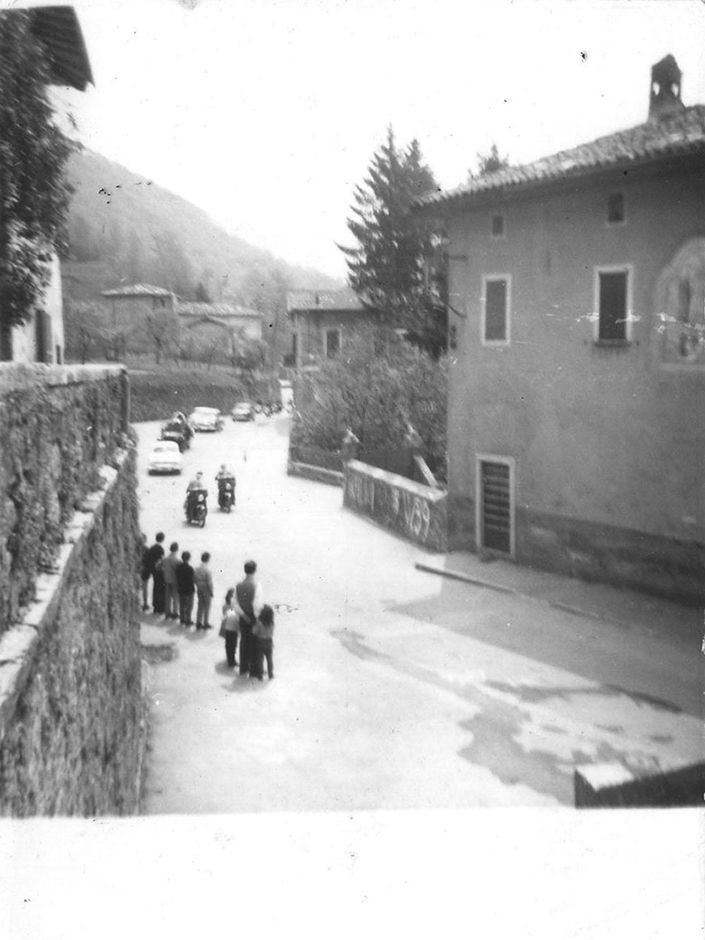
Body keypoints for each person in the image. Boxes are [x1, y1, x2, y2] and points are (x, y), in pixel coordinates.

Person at [235, 560, 264, 676]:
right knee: (254, 643)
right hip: (253, 616)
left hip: (243, 616)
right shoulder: (257, 585)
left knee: (243, 641)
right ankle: (254, 669)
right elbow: (257, 605)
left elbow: (234, 603)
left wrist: (242, 614)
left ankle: (243, 667)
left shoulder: (238, 585)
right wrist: (256, 619)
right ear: (255, 570)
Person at [142, 531, 165, 612]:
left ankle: (154, 604)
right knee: (158, 588)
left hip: (151, 570)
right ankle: (159, 606)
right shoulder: (160, 549)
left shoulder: (151, 548)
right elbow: (161, 561)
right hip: (158, 571)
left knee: (154, 588)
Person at [252, 604, 275, 681]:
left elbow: (254, 632)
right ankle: (270, 674)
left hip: (260, 642)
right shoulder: (271, 623)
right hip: (269, 642)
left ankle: (260, 675)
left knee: (260, 660)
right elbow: (272, 632)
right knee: (269, 659)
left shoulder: (259, 622)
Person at [194, 551, 214, 630]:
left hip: (199, 588)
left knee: (200, 606)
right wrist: (211, 592)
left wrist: (198, 585)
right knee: (207, 606)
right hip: (206, 589)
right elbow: (209, 582)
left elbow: (194, 579)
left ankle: (198, 622)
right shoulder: (207, 570)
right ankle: (206, 622)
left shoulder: (197, 568)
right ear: (208, 559)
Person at [221, 588, 240, 668]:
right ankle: (232, 660)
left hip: (226, 627)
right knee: (233, 644)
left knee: (228, 644)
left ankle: (229, 659)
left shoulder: (225, 606)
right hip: (233, 627)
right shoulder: (235, 606)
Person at [161, 542, 180, 620]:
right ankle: (175, 613)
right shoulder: (177, 560)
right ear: (177, 549)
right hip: (174, 580)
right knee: (175, 597)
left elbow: (158, 567)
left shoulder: (165, 559)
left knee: (167, 597)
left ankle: (167, 612)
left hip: (166, 579)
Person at [176, 550, 195, 627]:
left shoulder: (178, 568)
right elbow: (192, 580)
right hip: (189, 590)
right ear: (189, 558)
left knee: (181, 604)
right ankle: (188, 620)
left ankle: (182, 619)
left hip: (181, 589)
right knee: (189, 606)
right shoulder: (190, 568)